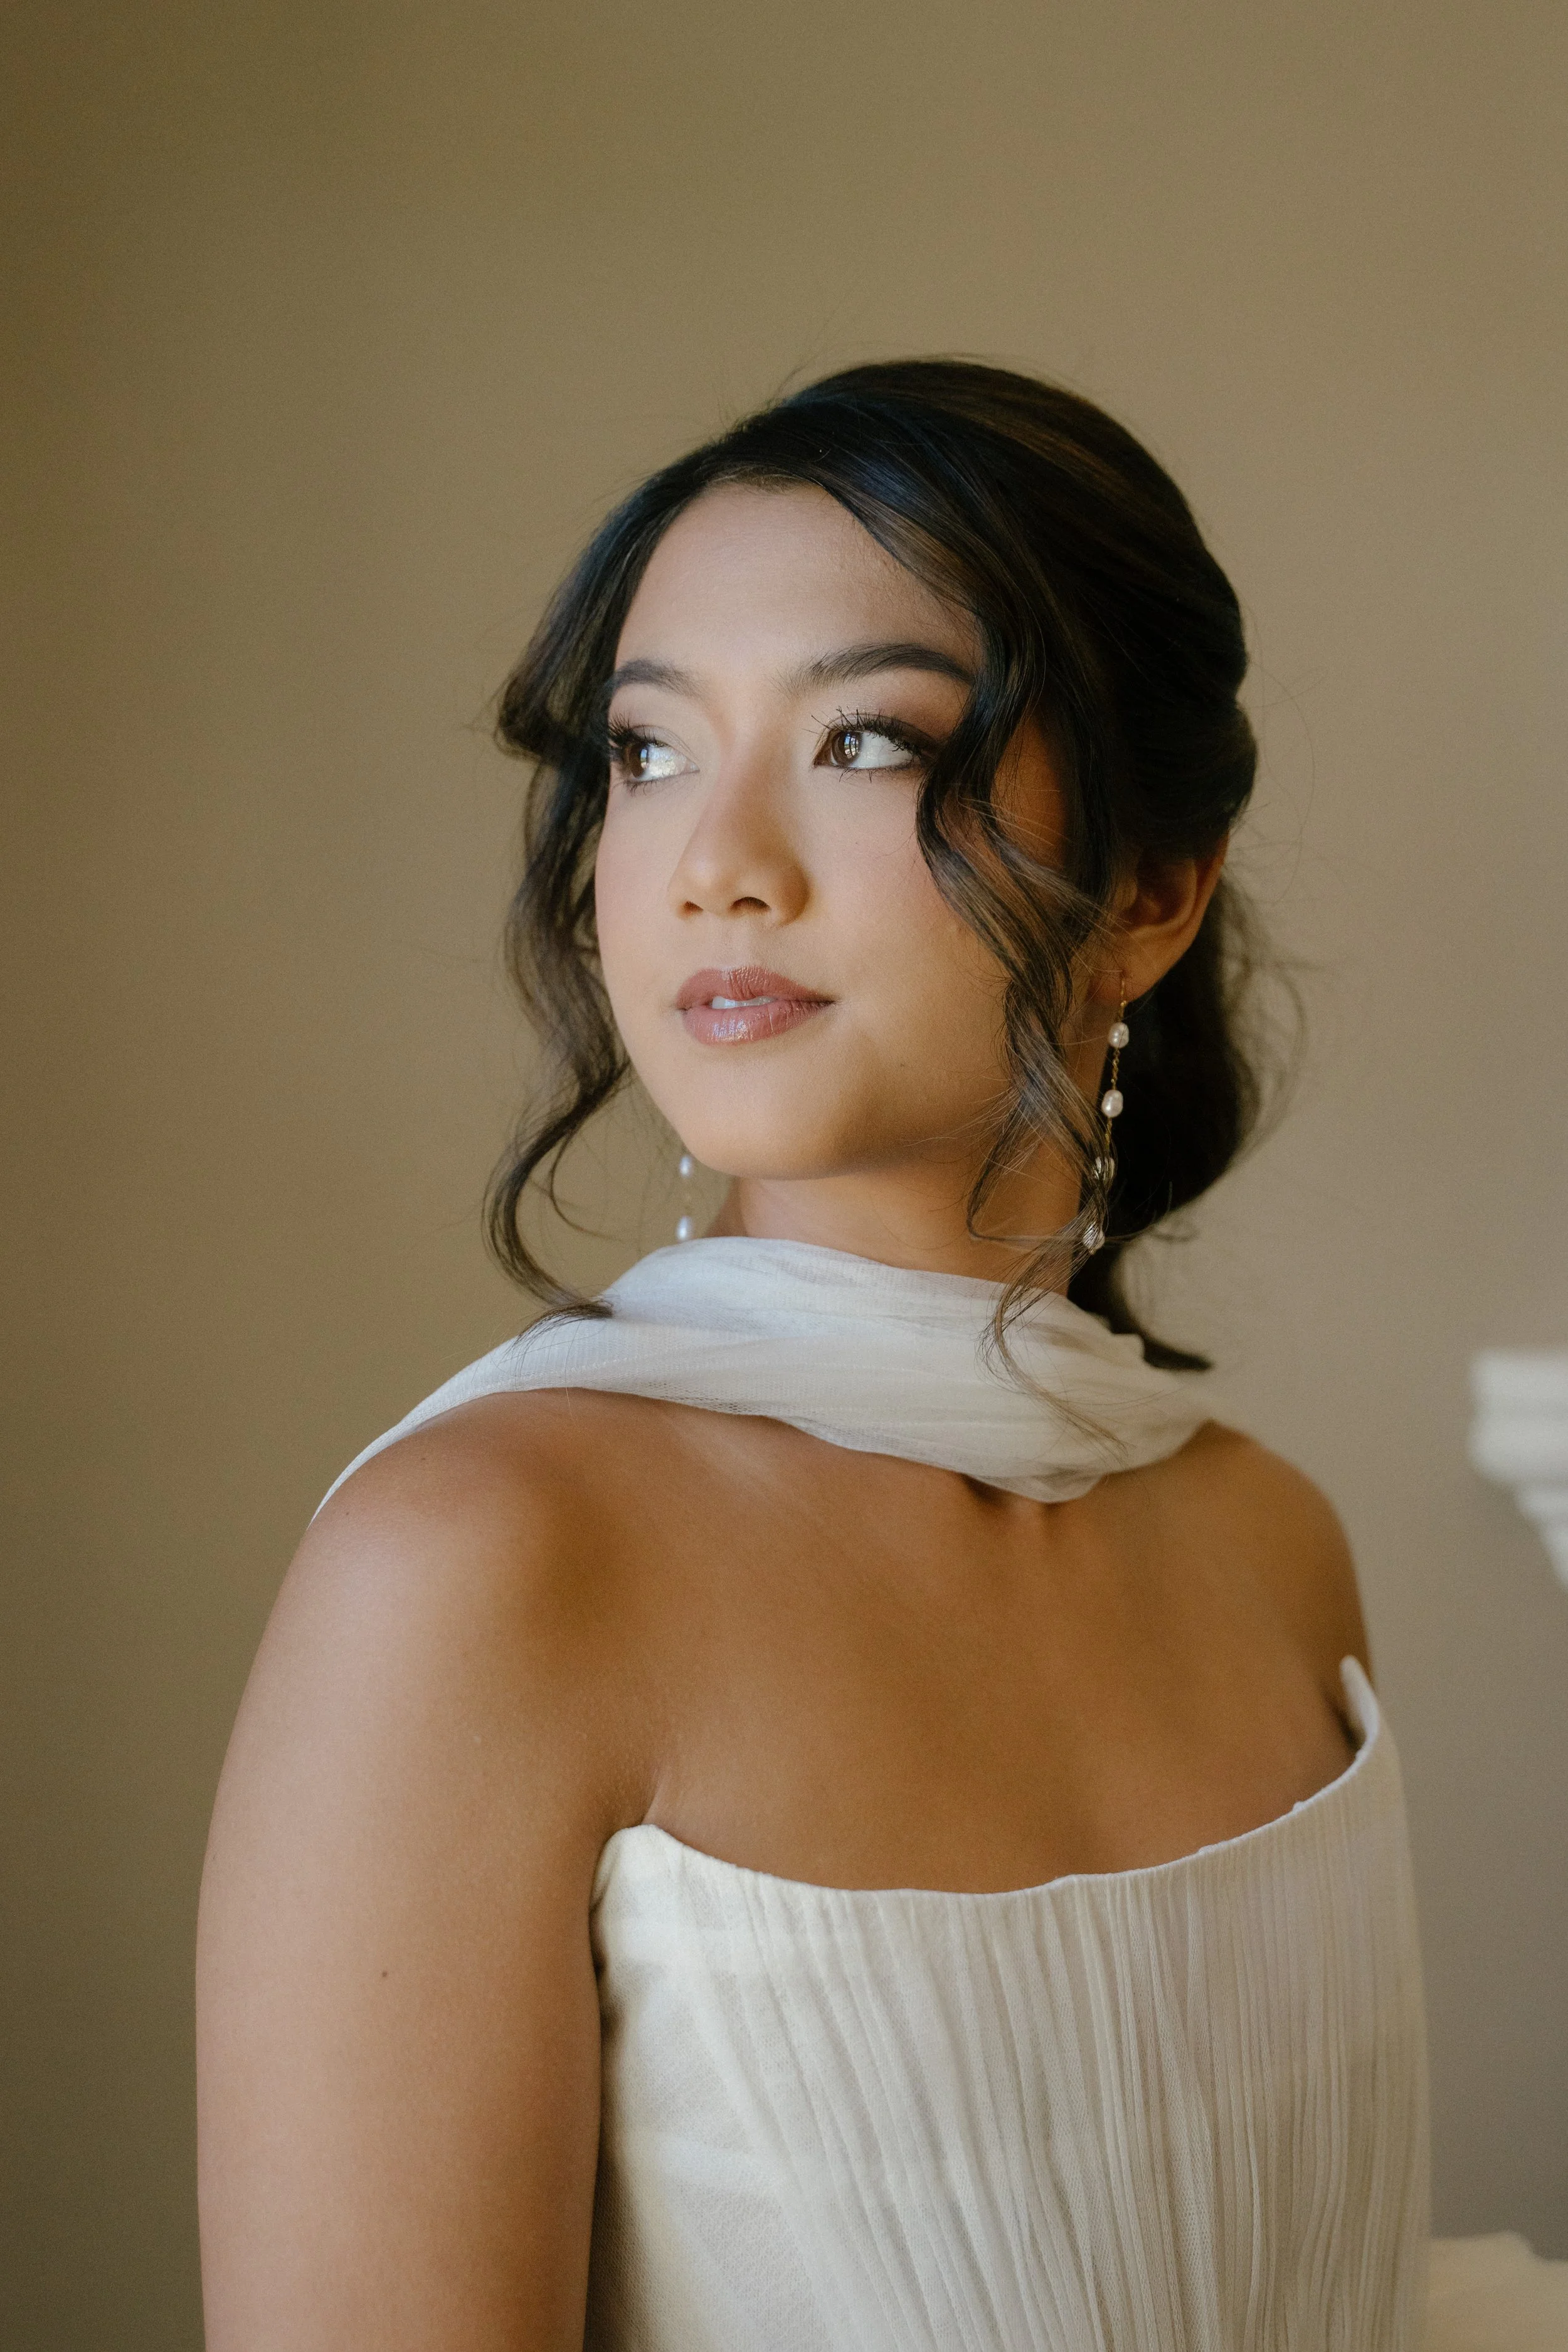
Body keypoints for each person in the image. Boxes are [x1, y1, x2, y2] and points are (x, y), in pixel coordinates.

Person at [195, 361, 1564, 2349]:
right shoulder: (475, 1563)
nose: (713, 861)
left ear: (1150, 894)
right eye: (648, 753)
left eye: (860, 737)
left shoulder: (1271, 1549)